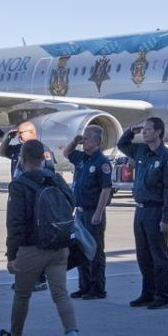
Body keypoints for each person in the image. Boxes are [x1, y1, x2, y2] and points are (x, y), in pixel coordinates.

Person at [0, 139, 81, 336]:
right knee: (60, 293)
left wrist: (12, 254)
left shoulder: (20, 185)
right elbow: (71, 201)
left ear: (23, 159)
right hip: (59, 245)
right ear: (42, 158)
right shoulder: (55, 179)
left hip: (31, 247)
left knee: (22, 294)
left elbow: (14, 223)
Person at [117, 118, 168, 309]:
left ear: (159, 132)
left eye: (148, 130)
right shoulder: (141, 150)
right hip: (141, 209)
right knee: (143, 255)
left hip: (156, 209)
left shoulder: (167, 157)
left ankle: (163, 296)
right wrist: (130, 130)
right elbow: (121, 144)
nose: (144, 133)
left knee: (159, 256)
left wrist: (166, 218)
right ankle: (147, 292)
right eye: (143, 130)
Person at [0, 121, 54, 291]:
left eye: (21, 133)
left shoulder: (41, 151)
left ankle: (39, 278)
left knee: (35, 242)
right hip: (19, 198)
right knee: (21, 240)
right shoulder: (19, 149)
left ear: (32, 132)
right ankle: (24, 276)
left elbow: (49, 176)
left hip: (34, 203)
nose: (19, 136)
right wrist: (7, 138)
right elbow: (2, 152)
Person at [63, 125, 112, 300]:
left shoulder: (102, 162)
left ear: (97, 141)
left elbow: (105, 190)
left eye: (88, 137)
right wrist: (74, 141)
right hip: (80, 213)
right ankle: (84, 286)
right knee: (81, 250)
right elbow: (66, 154)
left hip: (93, 212)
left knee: (95, 251)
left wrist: (99, 213)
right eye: (84, 137)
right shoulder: (82, 158)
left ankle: (98, 288)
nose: (84, 140)